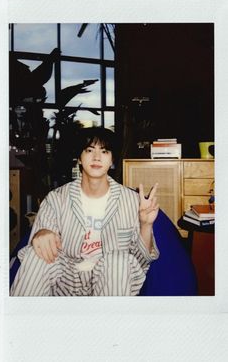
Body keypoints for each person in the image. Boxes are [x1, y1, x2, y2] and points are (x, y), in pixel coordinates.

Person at [10, 127, 160, 296]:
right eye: (89, 150)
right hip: (65, 278)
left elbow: (140, 260)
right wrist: (42, 233)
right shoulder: (56, 198)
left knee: (118, 261)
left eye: (104, 151)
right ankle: (21, 319)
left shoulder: (131, 201)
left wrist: (146, 225)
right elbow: (40, 241)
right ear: (79, 158)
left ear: (112, 160)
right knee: (36, 255)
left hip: (112, 278)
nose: (96, 157)